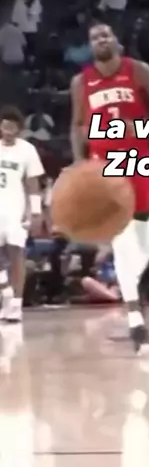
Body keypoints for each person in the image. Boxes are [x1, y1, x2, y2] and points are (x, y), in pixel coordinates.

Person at [69, 22, 149, 354]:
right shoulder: (81, 82)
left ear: (116, 40)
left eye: (106, 35)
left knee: (139, 241)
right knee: (121, 238)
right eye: (94, 37)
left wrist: (143, 126)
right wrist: (80, 164)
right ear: (90, 46)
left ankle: (133, 296)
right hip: (105, 167)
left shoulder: (138, 70)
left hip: (139, 163)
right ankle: (136, 321)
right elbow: (76, 126)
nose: (101, 40)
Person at [0, 106, 44, 323]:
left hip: (15, 210)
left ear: (19, 129)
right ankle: (6, 290)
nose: (8, 130)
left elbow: (32, 183)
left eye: (13, 127)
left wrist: (35, 212)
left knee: (17, 256)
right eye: (5, 126)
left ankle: (16, 304)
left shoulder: (27, 150)